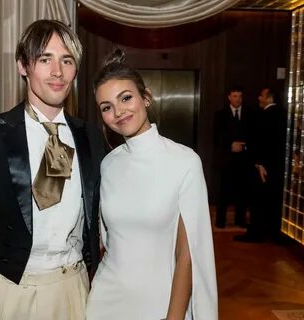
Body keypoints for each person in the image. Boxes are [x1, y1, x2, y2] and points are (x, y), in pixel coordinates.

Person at [0, 20, 107, 320]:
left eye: (67, 60)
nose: (57, 71)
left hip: (73, 290)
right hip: (6, 291)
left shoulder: (91, 137)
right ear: (23, 66)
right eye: (45, 59)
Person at [86, 49, 217, 320]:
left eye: (126, 98)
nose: (118, 112)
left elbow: (187, 254)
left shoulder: (184, 162)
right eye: (107, 107)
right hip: (104, 302)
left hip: (158, 307)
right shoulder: (108, 164)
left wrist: (174, 316)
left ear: (146, 99)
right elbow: (108, 243)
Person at [234, 87, 286, 243]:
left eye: (262, 96)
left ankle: (256, 233)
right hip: (279, 166)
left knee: (258, 201)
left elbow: (263, 142)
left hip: (264, 166)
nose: (258, 98)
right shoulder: (283, 114)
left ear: (270, 98)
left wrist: (259, 163)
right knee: (274, 201)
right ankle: (273, 233)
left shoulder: (266, 116)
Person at [213, 86, 254, 228]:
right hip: (227, 159)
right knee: (224, 191)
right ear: (229, 97)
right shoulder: (220, 115)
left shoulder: (249, 114)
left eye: (240, 96)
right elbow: (216, 136)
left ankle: (240, 220)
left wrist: (244, 145)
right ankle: (220, 221)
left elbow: (253, 135)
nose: (238, 99)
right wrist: (230, 145)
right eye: (235, 96)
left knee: (242, 191)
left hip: (244, 159)